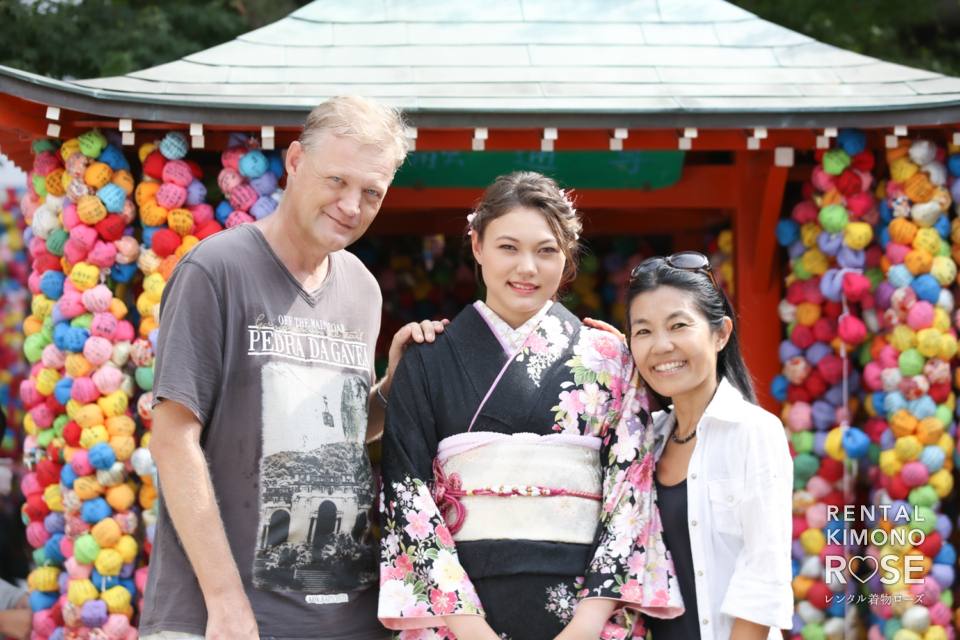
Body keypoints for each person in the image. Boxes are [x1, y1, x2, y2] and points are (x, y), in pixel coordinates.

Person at [141, 95, 444, 640]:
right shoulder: (215, 269)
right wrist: (226, 602)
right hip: (221, 620)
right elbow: (172, 440)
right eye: (337, 181)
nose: (352, 205)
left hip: (345, 617)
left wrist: (392, 388)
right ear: (296, 161)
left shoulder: (362, 288)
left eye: (371, 192)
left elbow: (344, 431)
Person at [377, 172, 683, 640]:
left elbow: (630, 492)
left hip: (584, 612)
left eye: (546, 251)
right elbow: (406, 493)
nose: (527, 268)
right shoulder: (427, 359)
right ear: (476, 245)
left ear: (566, 256)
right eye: (507, 247)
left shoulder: (613, 359)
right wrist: (469, 629)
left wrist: (586, 624)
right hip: (458, 617)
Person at [623, 253, 793, 640]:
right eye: (643, 331)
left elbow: (764, 576)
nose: (661, 345)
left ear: (720, 333)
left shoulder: (754, 431)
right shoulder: (646, 441)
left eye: (678, 325)